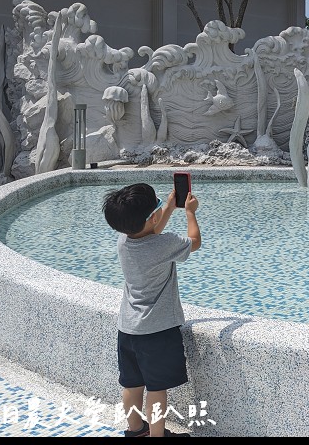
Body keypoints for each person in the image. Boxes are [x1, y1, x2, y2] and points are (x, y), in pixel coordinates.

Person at [103, 182, 202, 437]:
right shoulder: (165, 244)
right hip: (157, 331)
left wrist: (168, 206)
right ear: (152, 216)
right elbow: (194, 242)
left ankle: (135, 430)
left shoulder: (124, 240)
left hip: (128, 328)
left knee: (132, 384)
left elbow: (150, 229)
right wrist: (190, 212)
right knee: (157, 389)